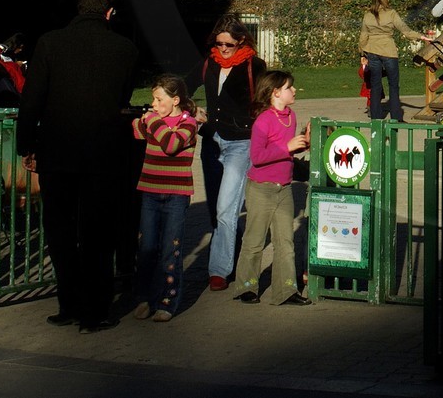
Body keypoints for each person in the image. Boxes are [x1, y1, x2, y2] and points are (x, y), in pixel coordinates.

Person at [15, 0, 139, 334]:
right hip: (104, 152)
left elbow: (32, 101)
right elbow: (122, 98)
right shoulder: (125, 49)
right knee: (99, 233)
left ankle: (69, 302)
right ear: (109, 12)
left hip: (58, 151)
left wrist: (28, 146)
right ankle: (96, 310)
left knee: (61, 231)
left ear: (78, 7)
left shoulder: (50, 43)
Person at [234, 70, 312, 306]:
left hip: (284, 189)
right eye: (290, 87)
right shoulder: (264, 120)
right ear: (276, 93)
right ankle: (246, 287)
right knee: (254, 241)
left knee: (285, 242)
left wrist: (302, 143)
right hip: (260, 189)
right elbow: (257, 157)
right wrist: (287, 147)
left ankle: (286, 291)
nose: (294, 90)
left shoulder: (291, 116)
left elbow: (284, 152)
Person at [198, 17, 265, 292]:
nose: (223, 48)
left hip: (240, 143)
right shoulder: (209, 62)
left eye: (229, 44)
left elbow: (263, 101)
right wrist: (189, 107)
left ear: (241, 41)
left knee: (227, 208)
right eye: (219, 43)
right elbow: (182, 88)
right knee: (217, 209)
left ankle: (219, 271)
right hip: (212, 141)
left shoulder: (254, 65)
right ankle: (231, 254)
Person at [131, 74, 198, 323]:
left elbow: (170, 145)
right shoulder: (154, 121)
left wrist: (152, 121)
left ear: (176, 100)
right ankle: (144, 298)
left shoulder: (188, 123)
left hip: (176, 196)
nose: (155, 104)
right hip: (150, 191)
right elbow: (137, 131)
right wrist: (144, 121)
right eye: (153, 99)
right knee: (147, 247)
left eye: (159, 99)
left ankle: (167, 301)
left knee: (172, 249)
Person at [359, 0, 433, 122]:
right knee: (393, 85)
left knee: (375, 85)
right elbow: (405, 30)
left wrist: (362, 54)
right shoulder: (391, 13)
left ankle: (375, 119)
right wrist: (421, 37)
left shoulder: (367, 15)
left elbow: (363, 36)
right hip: (388, 52)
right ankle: (396, 118)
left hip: (372, 52)